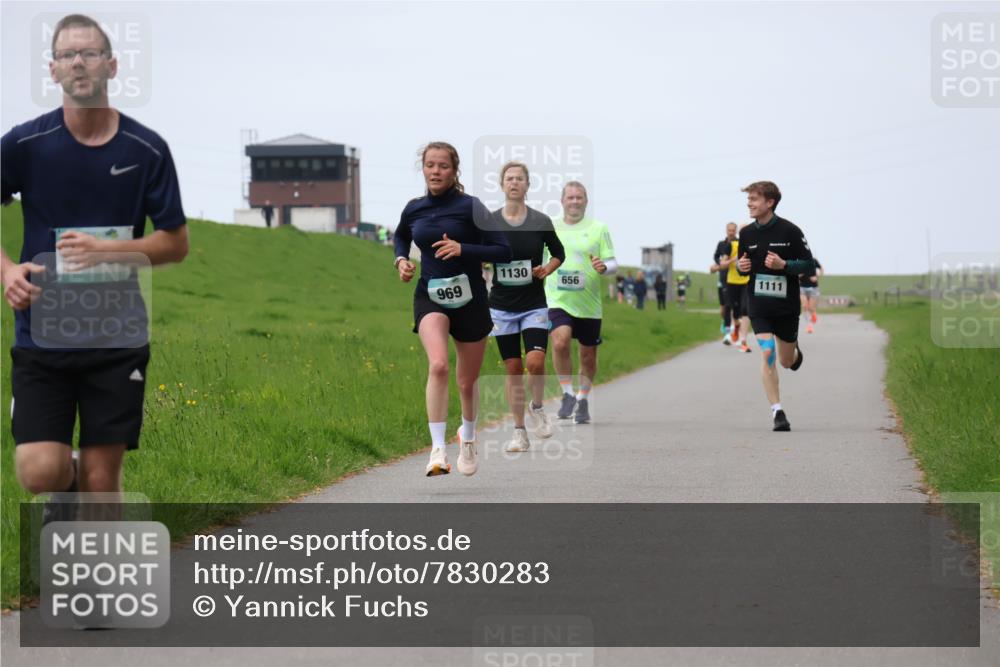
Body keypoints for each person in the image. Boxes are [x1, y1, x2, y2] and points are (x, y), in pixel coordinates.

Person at [1, 14, 189, 517]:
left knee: (106, 482)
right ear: (53, 69)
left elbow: (175, 243)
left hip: (116, 336)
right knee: (39, 471)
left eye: (88, 53)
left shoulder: (146, 150)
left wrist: (109, 252)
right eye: (67, 54)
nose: (78, 62)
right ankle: (70, 478)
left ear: (111, 64)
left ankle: (93, 593)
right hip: (42, 334)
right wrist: (6, 270)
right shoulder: (23, 145)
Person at [394, 142, 511, 476]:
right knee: (439, 365)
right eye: (430, 165)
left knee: (466, 381)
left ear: (454, 170)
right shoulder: (414, 208)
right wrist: (401, 260)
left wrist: (463, 248)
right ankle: (437, 451)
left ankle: (468, 437)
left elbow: (501, 250)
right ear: (423, 168)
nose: (435, 171)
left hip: (470, 299)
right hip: (430, 294)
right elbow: (401, 236)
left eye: (442, 166)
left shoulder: (471, 207)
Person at [488, 162, 565, 452]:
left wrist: (547, 269)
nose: (514, 183)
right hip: (501, 306)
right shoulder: (490, 221)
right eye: (509, 179)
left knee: (534, 362)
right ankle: (519, 432)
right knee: (513, 368)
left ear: (527, 185)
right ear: (502, 184)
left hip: (533, 303)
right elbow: (480, 251)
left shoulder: (540, 220)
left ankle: (538, 407)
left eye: (519, 179)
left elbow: (559, 253)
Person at [736, 181, 815, 431]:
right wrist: (741, 267)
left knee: (785, 361)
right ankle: (777, 412)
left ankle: (794, 354)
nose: (749, 203)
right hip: (758, 304)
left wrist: (784, 266)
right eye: (748, 199)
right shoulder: (746, 233)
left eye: (754, 199)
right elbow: (742, 262)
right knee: (767, 351)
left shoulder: (790, 231)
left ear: (770, 202)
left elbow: (808, 265)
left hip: (786, 307)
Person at [545, 181, 618, 424]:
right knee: (560, 341)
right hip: (558, 299)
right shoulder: (550, 226)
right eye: (570, 197)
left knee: (588, 356)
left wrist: (604, 267)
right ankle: (567, 392)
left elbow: (612, 262)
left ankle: (583, 398)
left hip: (589, 304)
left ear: (586, 201)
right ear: (562, 201)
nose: (575, 201)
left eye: (579, 197)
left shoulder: (599, 228)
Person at [719, 222, 753, 353]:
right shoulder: (731, 245)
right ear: (740, 232)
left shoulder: (753, 246)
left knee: (745, 309)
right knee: (732, 308)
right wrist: (734, 260)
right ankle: (735, 327)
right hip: (732, 281)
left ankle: (742, 340)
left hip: (746, 282)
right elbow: (722, 264)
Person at [710, 225, 735, 342]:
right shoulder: (721, 244)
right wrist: (720, 263)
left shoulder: (738, 243)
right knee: (723, 308)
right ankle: (725, 321)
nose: (731, 232)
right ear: (726, 231)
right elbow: (715, 256)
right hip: (722, 277)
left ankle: (730, 329)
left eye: (733, 230)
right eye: (729, 230)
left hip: (734, 278)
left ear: (736, 231)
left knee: (731, 305)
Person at [800, 258, 823, 333]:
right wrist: (799, 274)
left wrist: (817, 277)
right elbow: (794, 274)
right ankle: (809, 326)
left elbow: (821, 269)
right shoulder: (799, 261)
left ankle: (813, 313)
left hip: (814, 288)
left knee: (811, 307)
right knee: (804, 306)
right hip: (802, 287)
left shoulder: (814, 260)